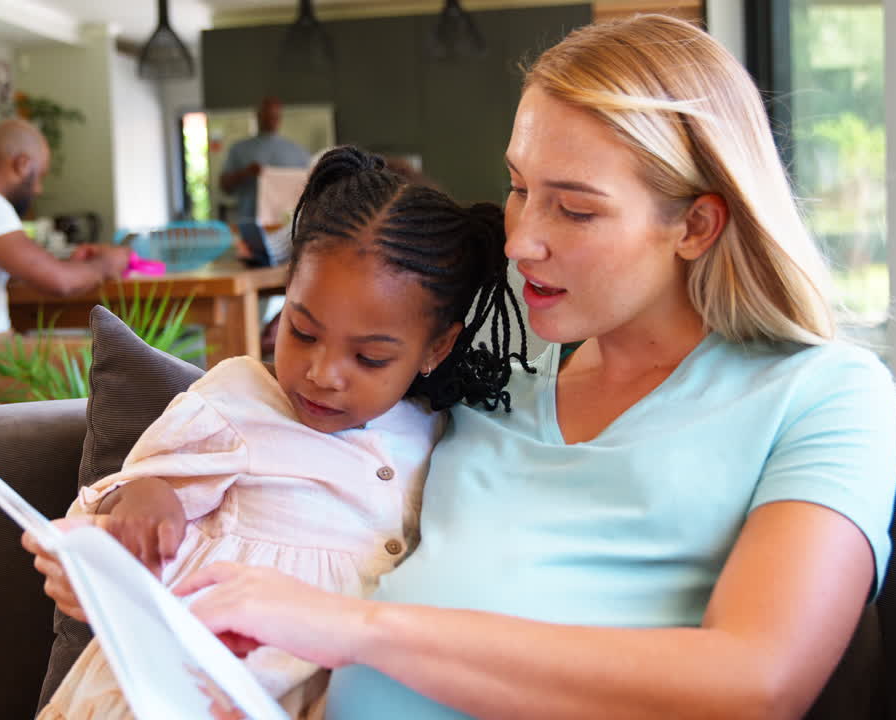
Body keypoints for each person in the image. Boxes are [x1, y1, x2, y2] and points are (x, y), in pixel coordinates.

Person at [32, 15, 896, 719]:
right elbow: (284, 469)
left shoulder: (822, 395)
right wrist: (123, 561)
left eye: (576, 209)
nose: (521, 238)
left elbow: (754, 682)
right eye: (521, 186)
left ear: (697, 226)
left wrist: (354, 631)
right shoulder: (483, 384)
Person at [29, 146, 529, 719]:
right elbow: (141, 486)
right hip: (192, 687)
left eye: (368, 358)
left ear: (435, 349)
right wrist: (144, 502)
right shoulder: (240, 397)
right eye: (302, 331)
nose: (321, 374)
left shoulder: (444, 434)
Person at [0, 118, 129, 341]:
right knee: (106, 363)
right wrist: (105, 265)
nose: (38, 189)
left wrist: (72, 266)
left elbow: (26, 271)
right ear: (23, 164)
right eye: (40, 176)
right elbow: (60, 282)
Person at [219, 97, 311, 223]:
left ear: (280, 118)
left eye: (274, 116)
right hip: (249, 223)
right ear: (257, 116)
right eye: (266, 116)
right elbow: (224, 186)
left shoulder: (298, 152)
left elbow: (309, 186)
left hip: (286, 224)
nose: (270, 120)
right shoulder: (239, 149)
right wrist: (246, 173)